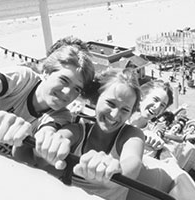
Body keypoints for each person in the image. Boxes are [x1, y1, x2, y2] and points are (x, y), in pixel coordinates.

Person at [0, 38, 95, 148]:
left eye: (77, 89)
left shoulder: (61, 115)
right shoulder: (22, 79)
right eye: (64, 80)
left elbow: (47, 133)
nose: (68, 93)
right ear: (47, 72)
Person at [21, 68, 145, 200]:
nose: (115, 115)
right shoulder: (77, 129)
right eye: (110, 103)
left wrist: (114, 170)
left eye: (125, 110)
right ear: (96, 99)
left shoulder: (132, 135)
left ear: (131, 114)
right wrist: (50, 146)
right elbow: (61, 138)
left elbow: (132, 163)